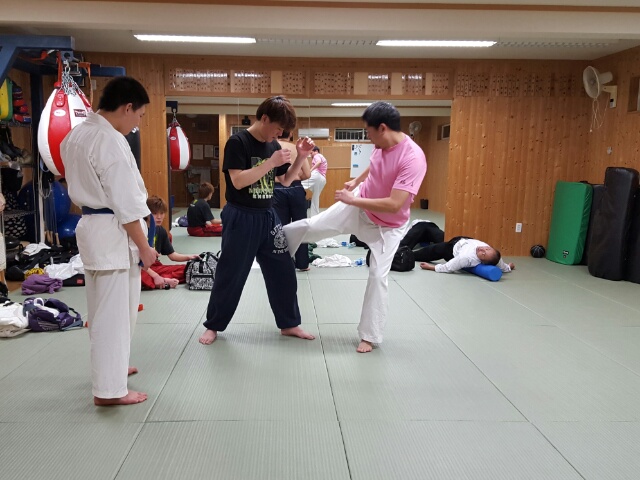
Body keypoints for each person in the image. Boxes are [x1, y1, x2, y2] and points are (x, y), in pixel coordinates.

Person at [284, 101, 427, 353]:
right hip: (360, 203)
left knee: (378, 277)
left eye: (369, 132)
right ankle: (274, 242)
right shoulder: (382, 145)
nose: (368, 138)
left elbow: (394, 204)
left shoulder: (413, 158)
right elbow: (374, 165)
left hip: (387, 227)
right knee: (312, 226)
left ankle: (369, 336)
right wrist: (355, 181)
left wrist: (352, 199)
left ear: (382, 128)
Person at [61, 76, 157, 406]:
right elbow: (125, 202)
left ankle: (112, 370)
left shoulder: (76, 135)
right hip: (113, 230)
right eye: (139, 115)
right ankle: (109, 391)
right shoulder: (109, 140)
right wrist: (144, 247)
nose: (137, 123)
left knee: (108, 310)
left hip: (93, 226)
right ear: (127, 107)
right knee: (113, 316)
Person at [199, 95, 316, 345]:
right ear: (264, 118)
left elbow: (286, 180)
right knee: (231, 273)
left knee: (283, 270)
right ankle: (214, 325)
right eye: (277, 128)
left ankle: (289, 323)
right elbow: (238, 181)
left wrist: (301, 156)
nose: (279, 134)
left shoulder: (272, 145)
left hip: (268, 216)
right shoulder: (238, 142)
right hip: (241, 216)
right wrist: (270, 163)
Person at [141, 195, 199, 290]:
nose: (159, 217)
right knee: (137, 275)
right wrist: (156, 276)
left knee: (188, 269)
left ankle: (161, 280)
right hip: (140, 266)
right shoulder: (140, 231)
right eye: (155, 213)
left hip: (155, 266)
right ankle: (163, 281)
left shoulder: (161, 230)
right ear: (146, 214)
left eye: (162, 213)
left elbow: (172, 255)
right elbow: (138, 263)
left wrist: (189, 257)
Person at [273, 131, 311, 271]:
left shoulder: (272, 147)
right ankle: (303, 263)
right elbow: (307, 174)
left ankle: (282, 262)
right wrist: (295, 175)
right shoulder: (297, 148)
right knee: (301, 225)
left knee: (279, 227)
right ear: (290, 134)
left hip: (276, 189)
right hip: (295, 188)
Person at [417, 236, 515, 273]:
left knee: (424, 253)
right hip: (465, 239)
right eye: (487, 248)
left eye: (483, 254)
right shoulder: (495, 255)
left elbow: (449, 267)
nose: (482, 249)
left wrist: (431, 267)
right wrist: (509, 267)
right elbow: (503, 266)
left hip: (450, 249)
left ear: (482, 261)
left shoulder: (467, 258)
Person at [302, 146, 327, 216]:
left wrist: (310, 170)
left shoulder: (317, 155)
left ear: (316, 151)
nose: (311, 155)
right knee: (315, 198)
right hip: (322, 179)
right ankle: (315, 216)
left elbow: (319, 162)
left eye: (311, 153)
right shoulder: (322, 156)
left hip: (317, 175)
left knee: (299, 183)